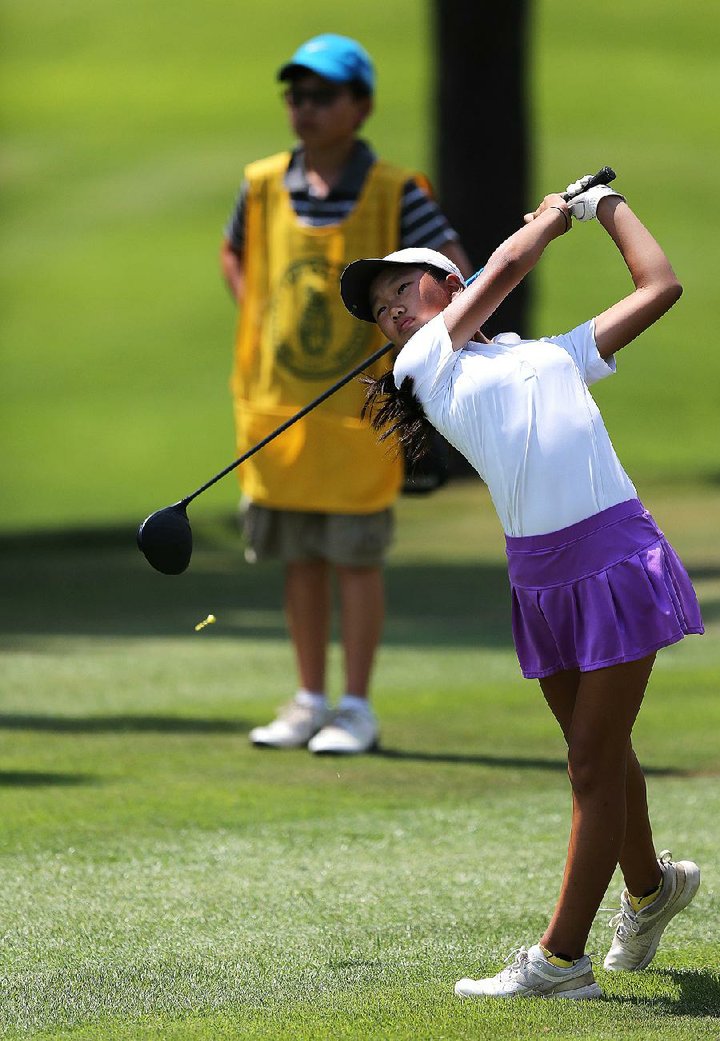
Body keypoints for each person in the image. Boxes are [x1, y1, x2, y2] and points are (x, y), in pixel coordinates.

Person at [339, 176, 703, 998]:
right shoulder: (423, 363)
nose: (393, 309)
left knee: (590, 761)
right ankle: (653, 890)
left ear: (448, 285)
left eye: (404, 287)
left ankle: (560, 961)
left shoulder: (552, 356)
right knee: (603, 755)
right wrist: (547, 219)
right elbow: (506, 266)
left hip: (614, 562)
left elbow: (660, 286)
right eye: (382, 306)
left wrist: (602, 208)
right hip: (540, 580)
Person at [220, 34, 470, 755]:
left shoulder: (395, 191)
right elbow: (234, 251)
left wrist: (417, 336)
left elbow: (455, 271)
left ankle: (355, 706)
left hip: (362, 417)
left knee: (356, 557)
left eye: (322, 95)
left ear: (359, 106)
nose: (305, 108)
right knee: (300, 556)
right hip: (280, 410)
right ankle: (308, 698)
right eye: (296, 95)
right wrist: (257, 315)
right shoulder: (263, 181)